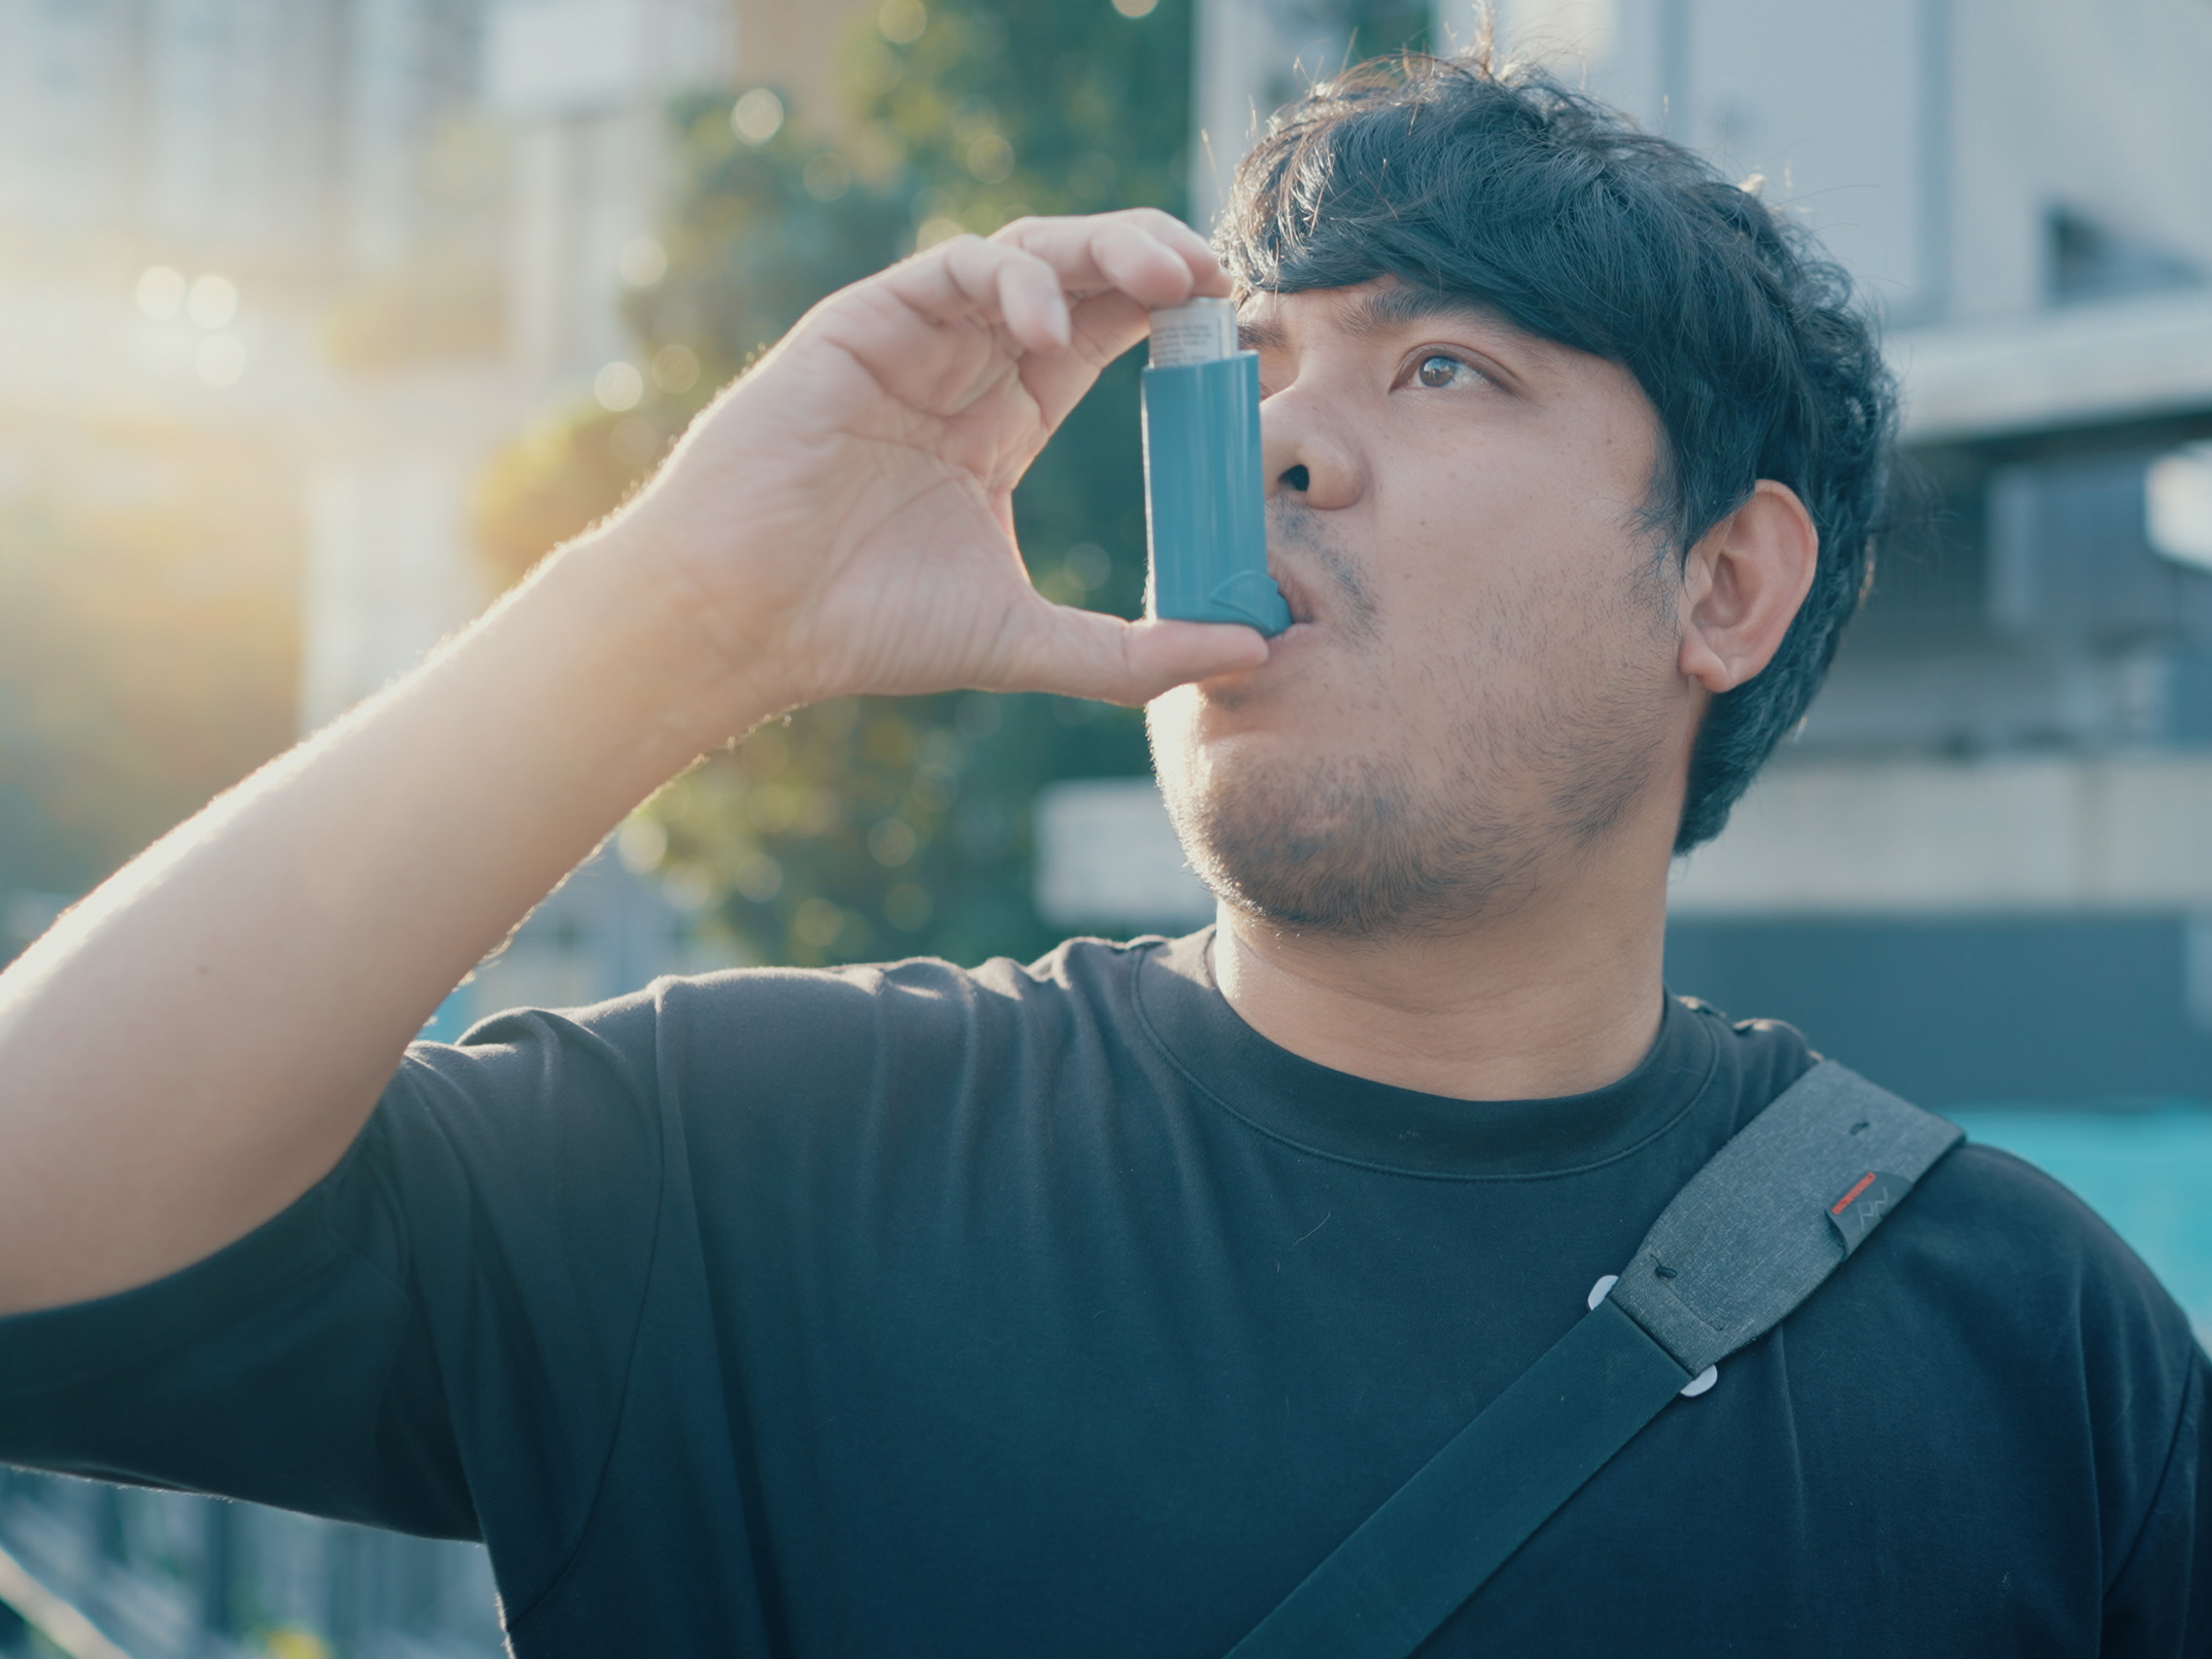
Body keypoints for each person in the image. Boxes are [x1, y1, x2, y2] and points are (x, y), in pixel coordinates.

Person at [0, 53, 2205, 1658]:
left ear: (1721, 585)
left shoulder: (2033, 1345)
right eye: (1248, 368)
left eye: (1442, 369)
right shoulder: (749, 1165)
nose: (1278, 444)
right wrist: (683, 615)